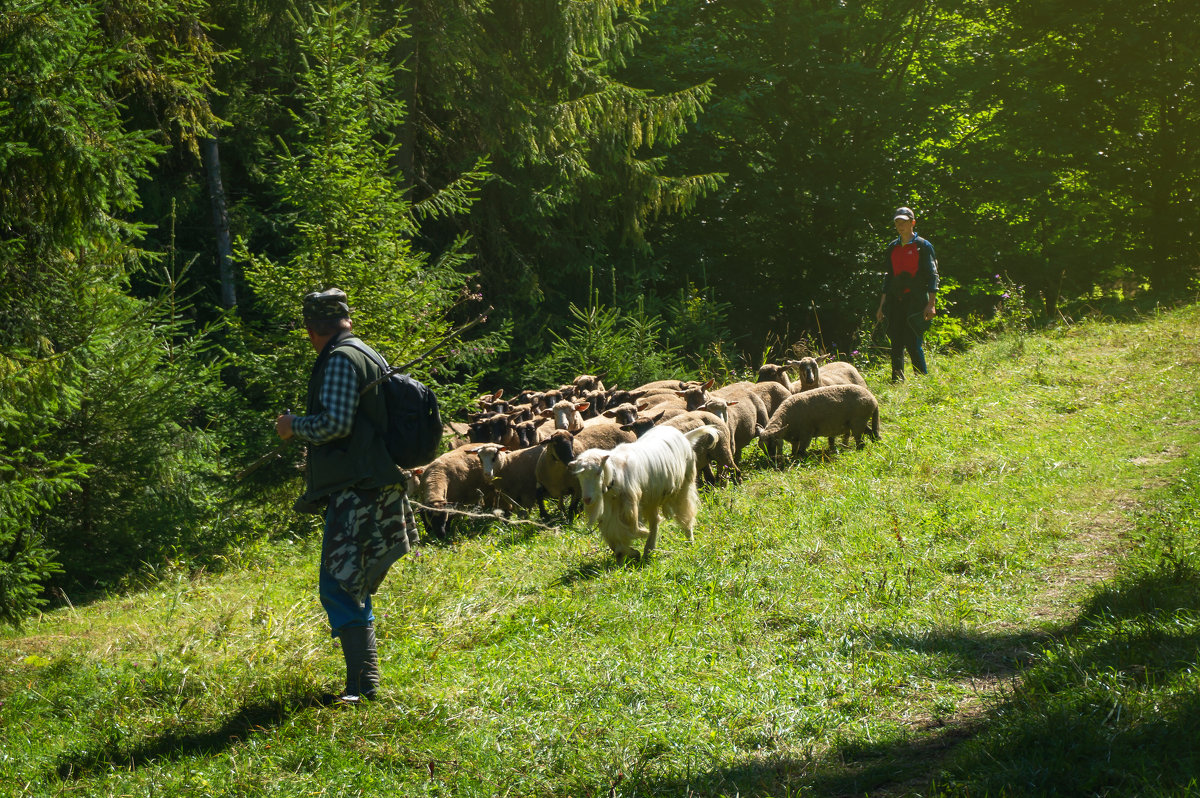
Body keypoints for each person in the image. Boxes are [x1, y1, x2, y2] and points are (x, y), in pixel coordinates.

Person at [275, 287, 419, 704]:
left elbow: (335, 424)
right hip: (373, 481)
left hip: (358, 488)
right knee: (352, 581)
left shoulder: (339, 359)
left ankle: (365, 686)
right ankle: (362, 683)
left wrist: (292, 426)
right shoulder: (366, 352)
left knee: (340, 583)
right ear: (346, 320)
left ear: (310, 330)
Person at [875, 206, 939, 381]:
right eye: (897, 222)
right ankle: (897, 380)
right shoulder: (892, 247)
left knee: (912, 341)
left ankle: (922, 380)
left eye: (903, 222)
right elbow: (888, 278)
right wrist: (882, 306)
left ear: (912, 223)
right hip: (896, 299)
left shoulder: (923, 246)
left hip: (917, 299)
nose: (900, 225)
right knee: (896, 341)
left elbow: (933, 275)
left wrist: (931, 304)